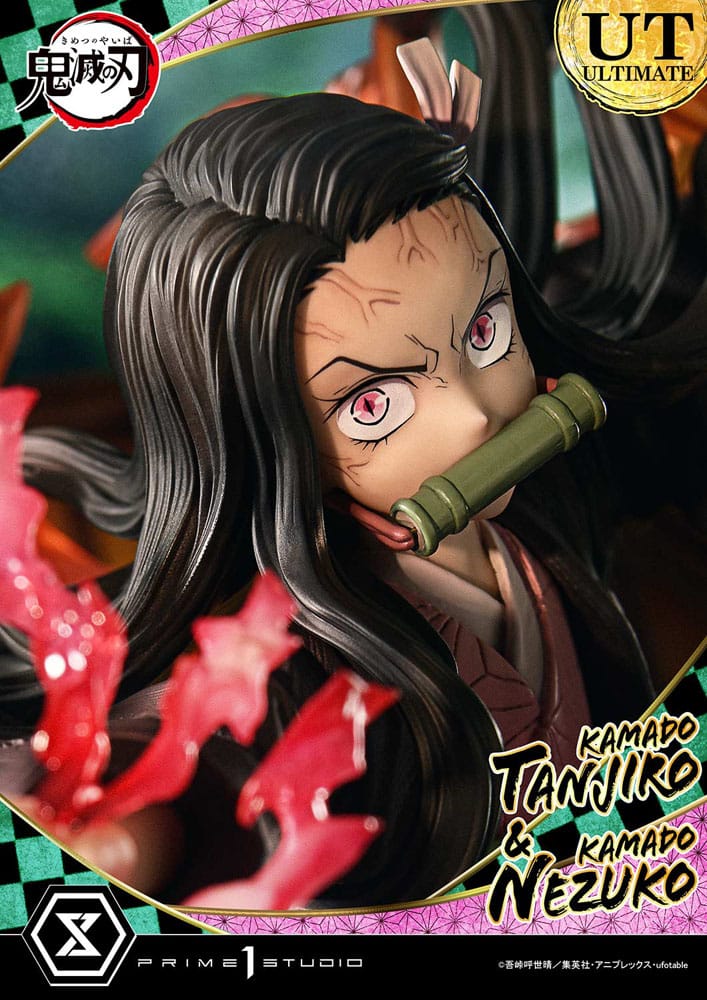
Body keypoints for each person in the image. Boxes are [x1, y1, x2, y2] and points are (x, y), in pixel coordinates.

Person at [1, 66, 705, 906]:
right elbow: (183, 768)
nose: (475, 414)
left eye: (486, 328)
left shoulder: (565, 513)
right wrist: (120, 839)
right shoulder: (289, 668)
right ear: (260, 437)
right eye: (373, 403)